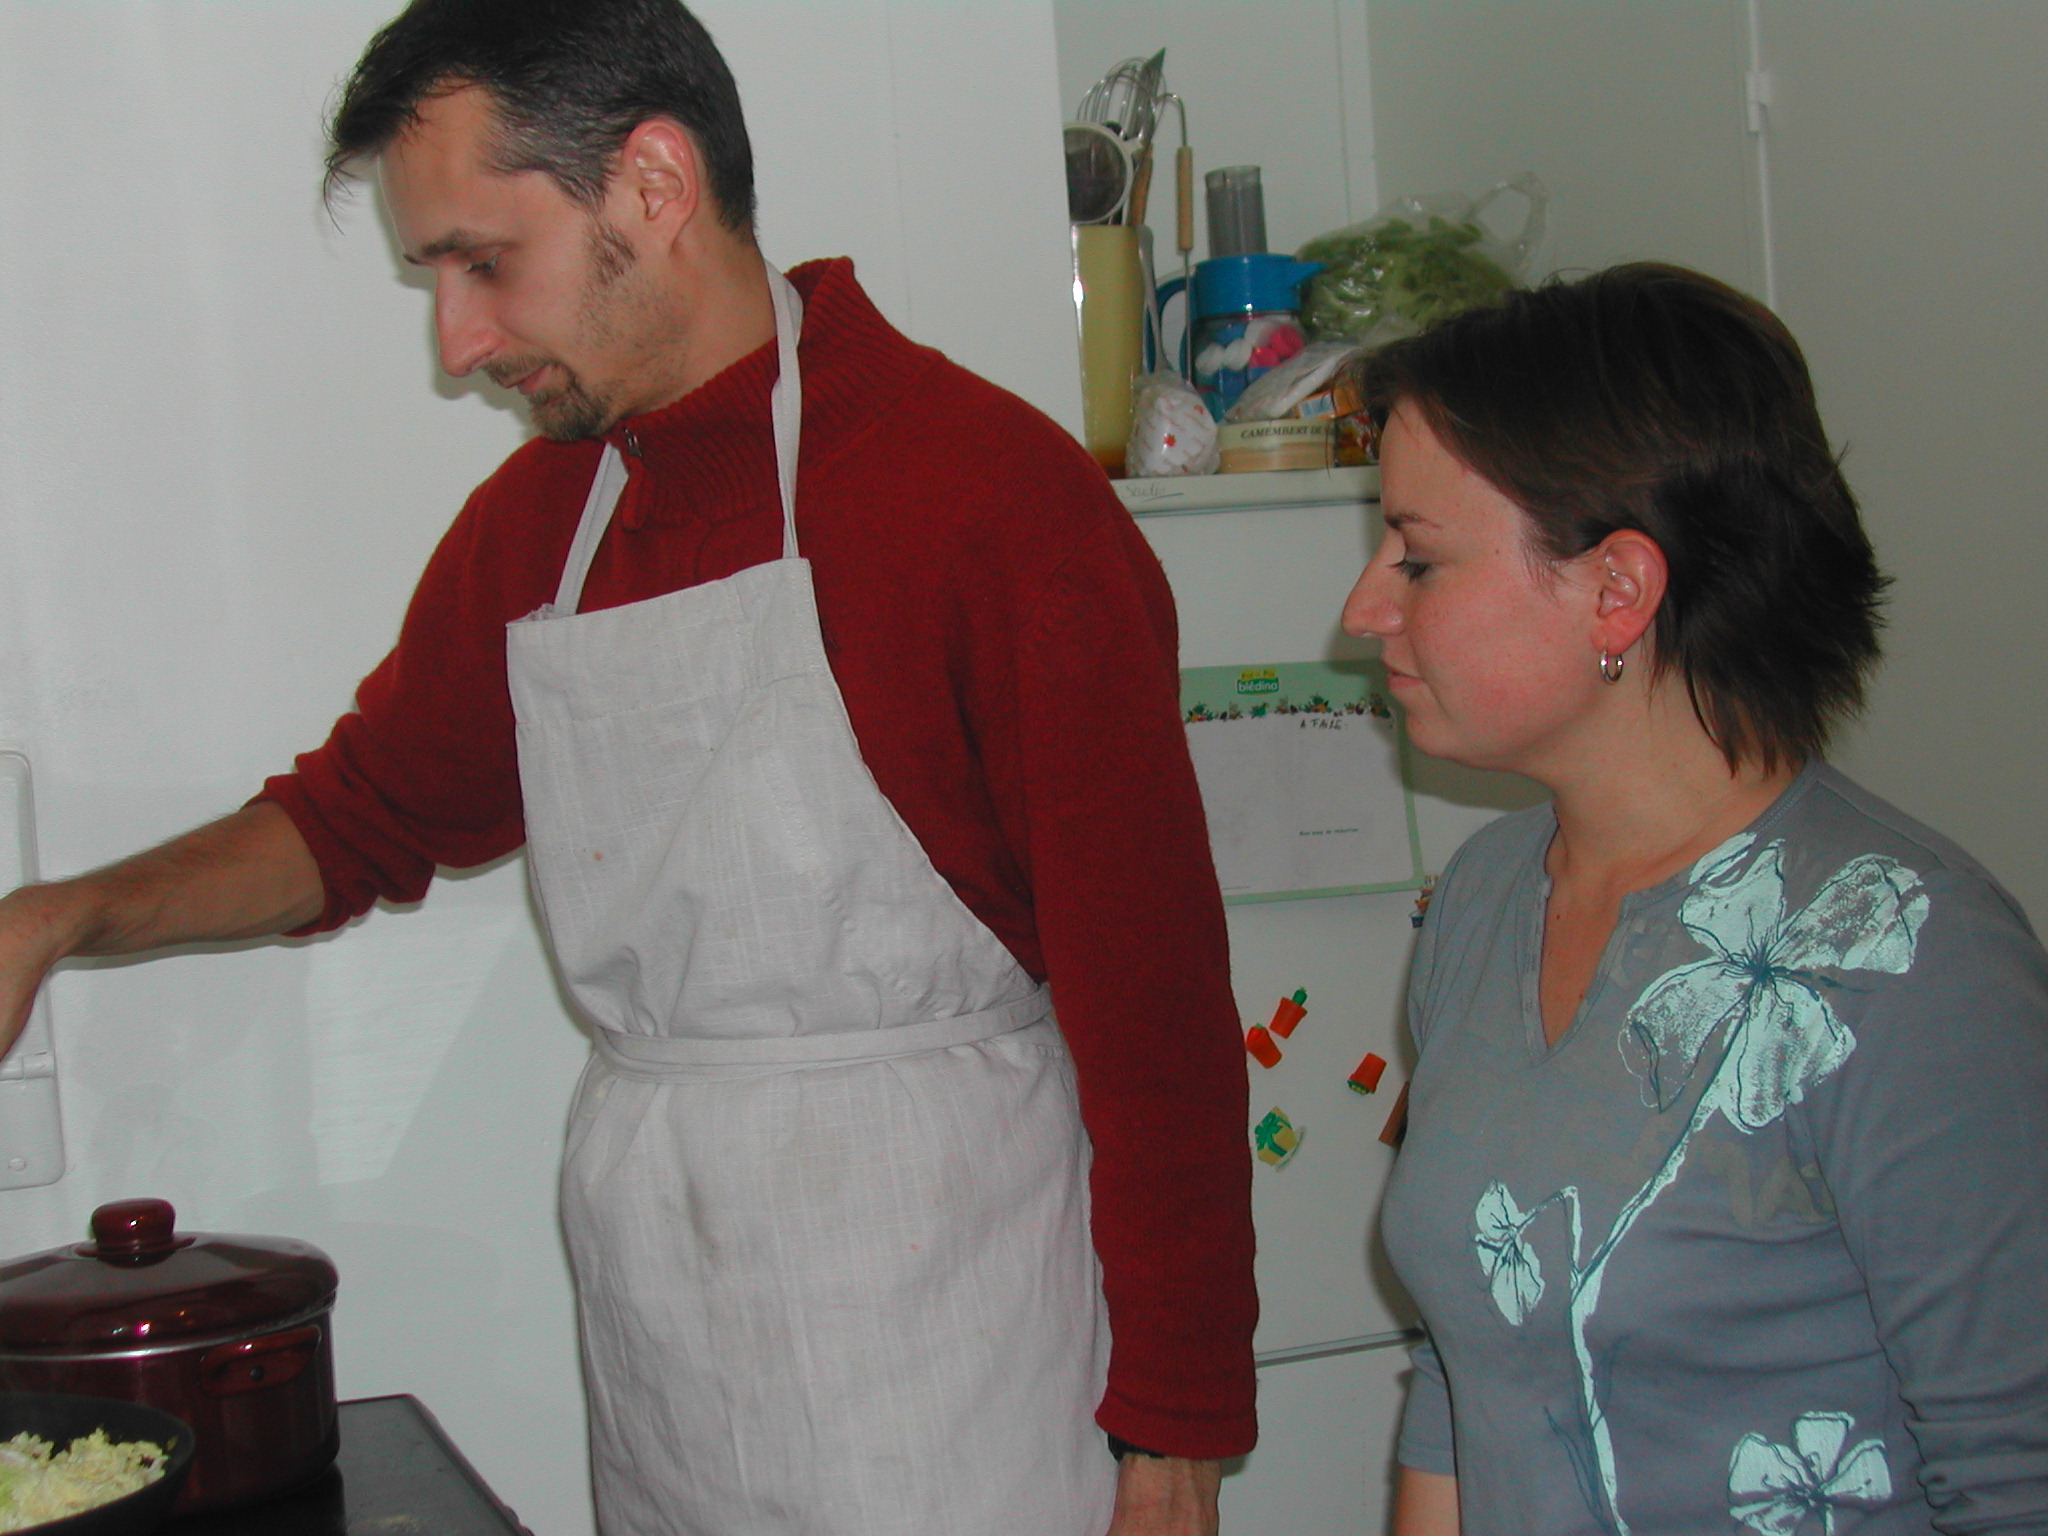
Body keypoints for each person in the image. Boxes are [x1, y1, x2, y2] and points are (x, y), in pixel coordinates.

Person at [0, 2, 1257, 1531]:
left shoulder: (983, 502)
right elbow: (357, 822)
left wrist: (1176, 1432)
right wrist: (55, 919)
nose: (458, 344)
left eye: (482, 263)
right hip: (669, 1336)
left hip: (951, 1330)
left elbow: (1156, 1005)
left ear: (655, 185)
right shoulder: (547, 525)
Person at [1344, 263, 2048, 1535]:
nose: (1362, 609)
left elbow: (2016, 1473)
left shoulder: (1911, 959)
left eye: (1419, 559)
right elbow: (1466, 1364)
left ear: (1617, 590)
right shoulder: (1484, 902)